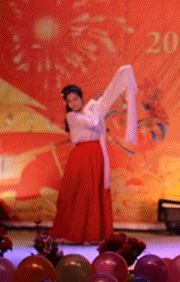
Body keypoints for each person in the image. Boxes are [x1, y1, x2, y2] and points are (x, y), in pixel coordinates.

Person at [51, 64, 137, 244]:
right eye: (70, 101)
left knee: (94, 192)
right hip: (81, 155)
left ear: (81, 98)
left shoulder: (92, 109)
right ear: (66, 104)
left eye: (76, 99)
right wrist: (94, 106)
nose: (74, 103)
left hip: (96, 154)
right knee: (79, 192)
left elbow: (108, 97)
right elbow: (91, 122)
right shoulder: (72, 116)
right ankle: (75, 233)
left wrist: (121, 76)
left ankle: (93, 234)